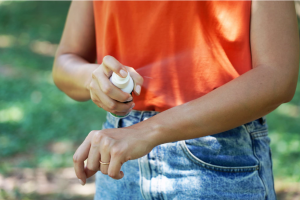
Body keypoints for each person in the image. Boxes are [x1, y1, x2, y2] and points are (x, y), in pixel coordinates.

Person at [52, 1, 299, 199]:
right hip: (118, 152)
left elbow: (278, 76)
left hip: (218, 151)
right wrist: (92, 79)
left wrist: (147, 132)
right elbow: (65, 60)